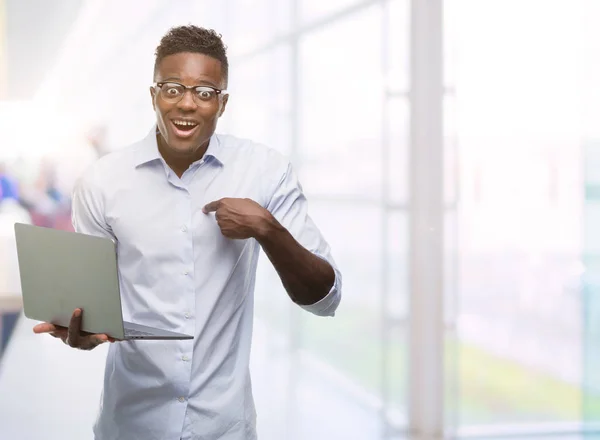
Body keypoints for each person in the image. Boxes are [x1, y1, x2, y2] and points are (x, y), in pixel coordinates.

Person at [33, 25, 341, 440]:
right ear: (153, 95)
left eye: (205, 92)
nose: (187, 104)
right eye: (173, 88)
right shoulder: (101, 182)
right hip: (131, 423)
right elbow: (89, 308)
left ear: (223, 103)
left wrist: (266, 228)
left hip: (224, 426)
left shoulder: (264, 170)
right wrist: (82, 333)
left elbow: (325, 298)